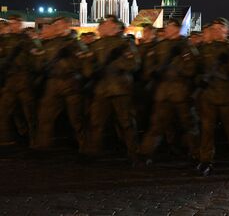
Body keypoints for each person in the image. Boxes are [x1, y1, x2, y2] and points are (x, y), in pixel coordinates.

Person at [81, 15, 140, 163]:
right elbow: (88, 65)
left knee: (126, 122)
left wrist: (117, 64)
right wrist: (91, 71)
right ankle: (93, 152)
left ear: (114, 26)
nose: (101, 26)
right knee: (96, 122)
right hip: (102, 88)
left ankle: (134, 153)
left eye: (105, 24)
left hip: (120, 88)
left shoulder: (125, 44)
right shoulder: (97, 44)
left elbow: (134, 64)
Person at [140, 19, 199, 163]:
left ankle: (197, 154)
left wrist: (179, 65)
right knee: (157, 124)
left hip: (180, 91)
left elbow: (192, 68)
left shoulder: (185, 46)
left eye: (168, 27)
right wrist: (152, 72)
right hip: (163, 92)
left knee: (188, 125)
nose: (165, 29)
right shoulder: (160, 46)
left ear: (176, 29)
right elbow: (149, 65)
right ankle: (145, 153)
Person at [196, 18, 229, 176]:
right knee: (207, 130)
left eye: (221, 28)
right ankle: (206, 161)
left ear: (227, 31)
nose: (217, 31)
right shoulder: (205, 49)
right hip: (209, 95)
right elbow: (196, 68)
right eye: (215, 28)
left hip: (227, 95)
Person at [34, 17, 87, 150]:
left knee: (76, 118)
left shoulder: (75, 43)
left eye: (58, 25)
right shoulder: (50, 44)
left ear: (66, 26)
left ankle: (85, 146)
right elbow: (40, 63)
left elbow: (84, 63)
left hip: (71, 83)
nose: (56, 28)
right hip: (53, 82)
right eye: (54, 25)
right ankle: (43, 145)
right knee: (45, 115)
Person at [0, 15, 38, 147]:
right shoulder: (5, 39)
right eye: (11, 23)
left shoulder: (25, 39)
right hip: (10, 78)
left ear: (20, 24)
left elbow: (34, 55)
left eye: (16, 23)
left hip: (24, 78)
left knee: (29, 111)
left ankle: (34, 139)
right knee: (4, 110)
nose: (13, 26)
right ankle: (6, 138)